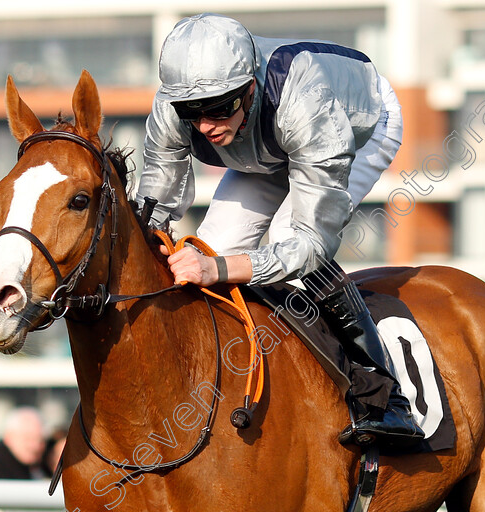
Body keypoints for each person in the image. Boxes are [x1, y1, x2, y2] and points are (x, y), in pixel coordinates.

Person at [136, 13, 424, 448]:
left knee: (286, 246)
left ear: (250, 88)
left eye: (217, 109)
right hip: (265, 144)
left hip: (355, 126)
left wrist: (217, 268)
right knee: (211, 245)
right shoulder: (175, 105)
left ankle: (384, 396)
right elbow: (156, 200)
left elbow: (310, 244)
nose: (205, 126)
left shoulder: (302, 101)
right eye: (190, 113)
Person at [0, 407, 45, 479]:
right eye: (28, 438)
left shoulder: (40, 466)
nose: (35, 446)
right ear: (8, 437)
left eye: (39, 439)